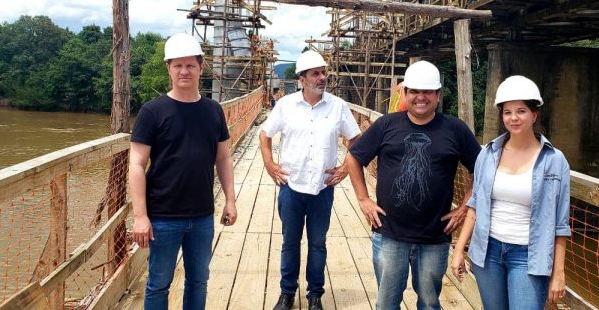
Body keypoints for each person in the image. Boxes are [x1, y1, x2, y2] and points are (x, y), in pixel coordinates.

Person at [345, 60, 481, 310]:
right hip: (389, 233)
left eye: (427, 91)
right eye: (414, 91)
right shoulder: (386, 125)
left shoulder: (455, 129)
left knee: (429, 303)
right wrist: (363, 200)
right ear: (404, 93)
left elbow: (481, 170)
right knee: (387, 303)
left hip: (434, 237)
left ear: (438, 95)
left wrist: (465, 206)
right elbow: (353, 157)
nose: (421, 97)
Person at [129, 32, 237, 310]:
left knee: (199, 280)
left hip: (202, 215)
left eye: (190, 65)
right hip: (163, 216)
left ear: (202, 68)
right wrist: (140, 216)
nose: (184, 71)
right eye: (177, 65)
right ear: (168, 68)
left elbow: (223, 158)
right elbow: (137, 164)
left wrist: (230, 200)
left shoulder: (213, 111)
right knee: (158, 283)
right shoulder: (152, 111)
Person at [450, 75, 571, 310]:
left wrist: (558, 272)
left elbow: (560, 223)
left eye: (521, 111)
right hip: (488, 251)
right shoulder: (488, 154)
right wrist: (458, 250)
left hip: (528, 256)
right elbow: (475, 206)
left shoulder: (554, 161)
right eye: (507, 112)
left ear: (534, 115)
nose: (514, 118)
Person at [260, 50, 361, 310]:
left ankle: (315, 295)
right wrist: (269, 164)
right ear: (302, 79)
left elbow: (356, 140)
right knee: (289, 242)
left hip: (322, 187)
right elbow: (265, 134)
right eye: (315, 73)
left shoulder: (338, 106)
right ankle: (287, 293)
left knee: (318, 243)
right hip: (291, 187)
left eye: (323, 72)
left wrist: (345, 168)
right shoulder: (285, 105)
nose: (322, 77)